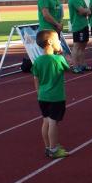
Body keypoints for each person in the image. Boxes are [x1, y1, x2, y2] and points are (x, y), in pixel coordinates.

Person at [32, 29, 70, 159]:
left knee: (46, 121)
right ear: (49, 42)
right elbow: (69, 67)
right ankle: (54, 149)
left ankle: (48, 147)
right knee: (53, 122)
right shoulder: (58, 59)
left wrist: (39, 93)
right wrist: (61, 53)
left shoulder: (37, 61)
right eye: (57, 39)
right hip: (56, 97)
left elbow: (35, 79)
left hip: (42, 96)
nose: (59, 41)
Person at [67, 0, 92, 73]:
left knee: (82, 47)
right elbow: (82, 11)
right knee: (77, 47)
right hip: (78, 26)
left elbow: (88, 11)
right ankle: (75, 66)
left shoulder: (81, 0)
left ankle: (82, 65)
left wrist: (85, 11)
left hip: (84, 25)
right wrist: (85, 11)